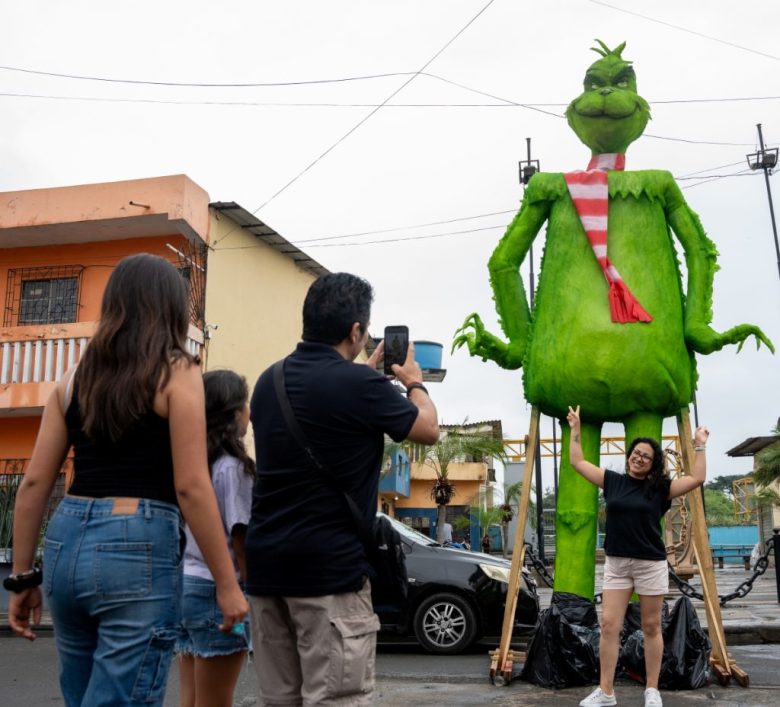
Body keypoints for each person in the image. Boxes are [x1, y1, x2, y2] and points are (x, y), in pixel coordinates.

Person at [6, 254, 247, 707]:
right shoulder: (178, 372)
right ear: (172, 308)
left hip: (66, 538)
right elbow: (191, 486)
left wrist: (22, 578)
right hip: (135, 544)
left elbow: (35, 485)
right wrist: (227, 584)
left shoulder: (73, 380)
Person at [245, 272, 439, 706]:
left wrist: (360, 373)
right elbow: (428, 429)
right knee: (335, 699)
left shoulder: (267, 382)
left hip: (266, 573)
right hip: (328, 572)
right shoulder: (360, 386)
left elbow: (321, 405)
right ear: (356, 331)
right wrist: (414, 382)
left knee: (280, 700)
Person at [567, 405, 709, 707]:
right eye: (636, 452)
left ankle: (652, 690)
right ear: (629, 455)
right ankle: (606, 691)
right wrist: (575, 429)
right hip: (617, 563)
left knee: (651, 627)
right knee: (608, 625)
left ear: (653, 463)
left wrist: (699, 444)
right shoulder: (613, 481)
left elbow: (697, 477)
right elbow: (577, 462)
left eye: (646, 455)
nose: (639, 457)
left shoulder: (661, 489)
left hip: (650, 564)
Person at [177, 370, 255, 707]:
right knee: (216, 701)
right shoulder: (233, 468)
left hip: (185, 586)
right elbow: (241, 539)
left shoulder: (189, 466)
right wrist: (250, 589)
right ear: (235, 413)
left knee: (191, 698)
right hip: (218, 591)